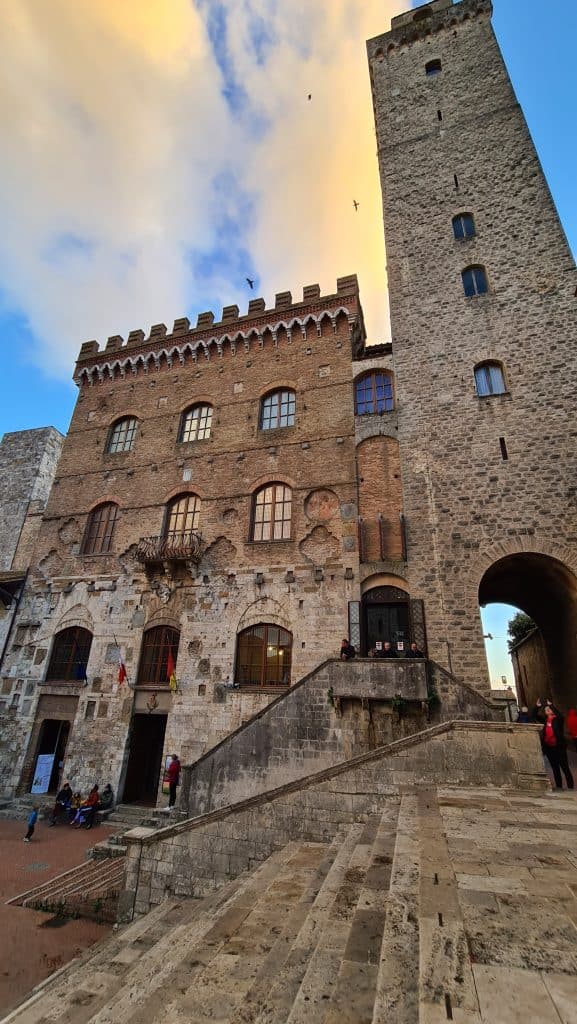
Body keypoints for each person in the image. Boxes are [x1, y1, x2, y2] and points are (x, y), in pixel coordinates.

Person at [540, 705, 574, 790]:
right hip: (549, 749)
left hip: (559, 748)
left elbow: (560, 715)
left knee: (565, 768)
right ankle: (559, 786)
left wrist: (551, 705)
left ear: (553, 710)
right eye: (545, 709)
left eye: (549, 709)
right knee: (555, 768)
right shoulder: (545, 720)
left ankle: (570, 787)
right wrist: (537, 707)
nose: (547, 710)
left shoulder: (558, 719)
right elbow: (533, 716)